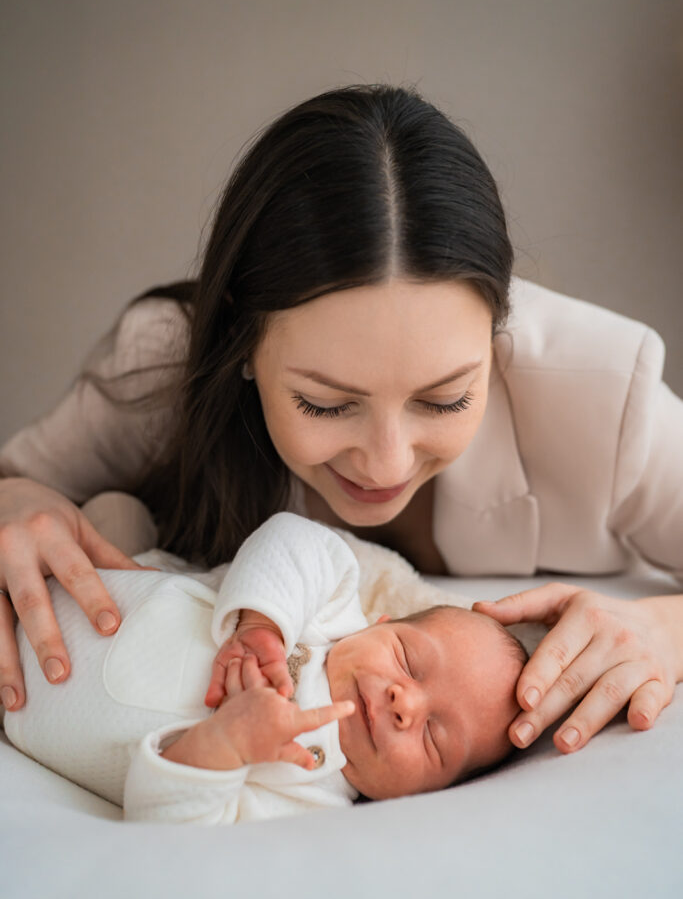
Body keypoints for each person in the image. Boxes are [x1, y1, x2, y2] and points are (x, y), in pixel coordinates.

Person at [1, 84, 682, 762]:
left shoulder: (601, 395)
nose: (385, 465)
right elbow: (18, 487)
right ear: (242, 340)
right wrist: (17, 501)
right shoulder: (162, 369)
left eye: (443, 399)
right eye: (325, 405)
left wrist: (662, 628)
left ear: (498, 331)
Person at [3, 514, 526, 822]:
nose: (405, 702)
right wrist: (263, 625)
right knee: (114, 520)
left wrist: (223, 746)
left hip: (16, 697)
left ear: (429, 796)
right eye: (408, 659)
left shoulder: (308, 800)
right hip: (68, 576)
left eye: (434, 738)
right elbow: (294, 540)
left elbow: (172, 823)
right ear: (379, 622)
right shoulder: (326, 616)